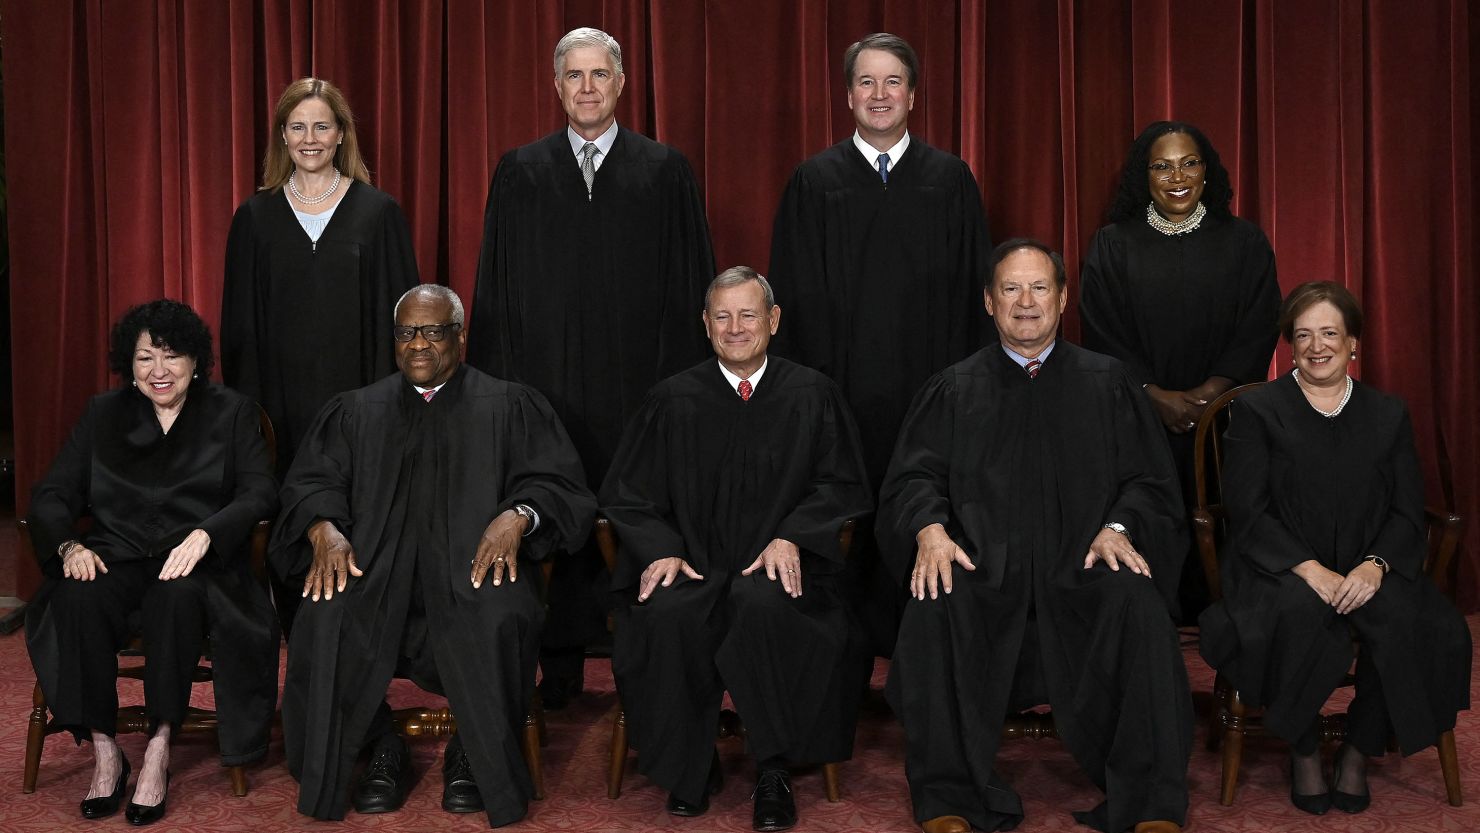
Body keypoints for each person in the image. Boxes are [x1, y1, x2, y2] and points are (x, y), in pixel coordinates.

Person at [879, 240, 1191, 833]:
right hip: (981, 572)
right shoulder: (954, 388)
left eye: (1040, 288)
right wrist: (930, 529)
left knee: (1139, 605)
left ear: (1064, 298)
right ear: (989, 303)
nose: (1026, 303)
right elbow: (912, 477)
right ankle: (949, 798)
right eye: (1011, 290)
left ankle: (1150, 802)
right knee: (934, 601)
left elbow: (1150, 481)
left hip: (1083, 570)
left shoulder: (1108, 383)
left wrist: (1118, 527)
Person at [272, 285, 595, 828]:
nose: (418, 344)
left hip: (473, 572)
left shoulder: (510, 404)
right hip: (373, 573)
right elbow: (310, 482)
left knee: (502, 614)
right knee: (325, 615)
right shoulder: (357, 410)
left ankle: (473, 750)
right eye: (405, 333)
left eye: (432, 331)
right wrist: (323, 528)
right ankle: (380, 748)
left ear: (460, 337)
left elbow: (560, 485)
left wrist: (519, 515)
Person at [468, 26, 716, 709]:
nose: (586, 88)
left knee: (636, 509)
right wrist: (501, 391)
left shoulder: (664, 171)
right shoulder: (520, 171)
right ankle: (559, 662)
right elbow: (495, 289)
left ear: (620, 83)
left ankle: (641, 661)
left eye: (598, 75)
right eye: (573, 76)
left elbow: (689, 286)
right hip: (543, 385)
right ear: (556, 87)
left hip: (638, 384)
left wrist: (680, 390)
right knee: (549, 503)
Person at [602, 267, 873, 831]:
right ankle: (689, 766)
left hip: (779, 570)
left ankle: (774, 768)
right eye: (722, 316)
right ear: (705, 325)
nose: (735, 327)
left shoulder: (812, 394)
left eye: (748, 314)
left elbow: (842, 485)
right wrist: (661, 549)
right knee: (671, 615)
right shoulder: (672, 399)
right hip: (695, 566)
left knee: (765, 606)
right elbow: (628, 495)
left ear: (773, 321)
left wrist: (794, 535)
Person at [1199, 281, 1471, 815]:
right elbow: (1248, 510)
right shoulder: (1259, 411)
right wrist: (1309, 570)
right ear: (1289, 345)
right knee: (1296, 615)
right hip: (1279, 567)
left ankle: (1358, 748)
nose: (1316, 346)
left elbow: (1405, 509)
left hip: (1370, 563)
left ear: (1353, 344)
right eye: (1303, 335)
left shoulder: (1387, 413)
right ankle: (1302, 747)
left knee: (1415, 622)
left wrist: (1375, 566)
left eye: (1329, 333)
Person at [768, 32, 991, 657]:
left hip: (931, 391)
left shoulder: (949, 180)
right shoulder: (815, 183)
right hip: (840, 393)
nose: (880, 94)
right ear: (847, 97)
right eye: (866, 82)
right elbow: (792, 297)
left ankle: (922, 653)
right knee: (846, 515)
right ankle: (842, 659)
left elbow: (979, 293)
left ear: (914, 95)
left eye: (893, 81)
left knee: (928, 506)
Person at [25, 299, 279, 825]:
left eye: (171, 356)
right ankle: (105, 750)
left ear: (194, 360)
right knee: (77, 596)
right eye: (144, 359)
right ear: (129, 364)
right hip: (115, 556)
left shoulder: (230, 413)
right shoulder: (102, 414)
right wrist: (70, 547)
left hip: (196, 563)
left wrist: (210, 533)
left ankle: (160, 747)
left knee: (176, 596)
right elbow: (52, 494)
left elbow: (260, 492)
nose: (158, 371)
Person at [1078, 120, 1281, 615]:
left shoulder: (1244, 242)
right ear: (1143, 177)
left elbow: (1259, 322)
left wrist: (1213, 391)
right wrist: (1153, 394)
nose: (1177, 176)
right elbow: (1101, 328)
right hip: (1139, 413)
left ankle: (1227, 607)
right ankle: (1151, 609)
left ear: (1206, 172)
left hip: (1227, 419)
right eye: (1161, 166)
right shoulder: (1113, 244)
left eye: (1189, 163)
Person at [222, 77, 420, 475]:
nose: (309, 139)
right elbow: (240, 330)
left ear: (341, 134)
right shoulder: (255, 218)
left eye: (322, 126)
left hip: (364, 405)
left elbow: (405, 321)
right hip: (280, 408)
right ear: (283, 135)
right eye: (297, 127)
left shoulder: (378, 214)